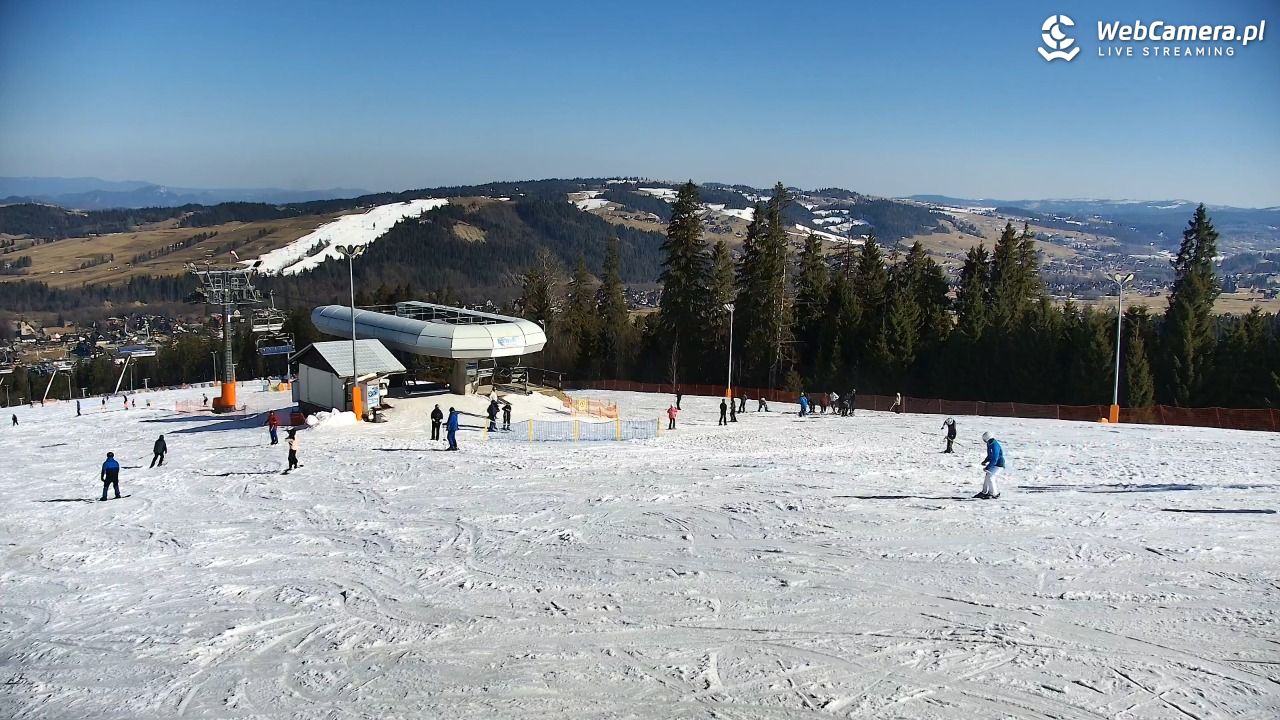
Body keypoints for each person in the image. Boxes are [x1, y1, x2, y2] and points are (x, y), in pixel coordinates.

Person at [977, 431, 1005, 499]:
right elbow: (990, 455)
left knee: (991, 477)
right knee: (987, 476)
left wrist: (988, 467)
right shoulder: (990, 444)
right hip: (994, 464)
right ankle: (984, 492)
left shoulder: (994, 445)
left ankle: (994, 494)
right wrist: (985, 461)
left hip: (999, 464)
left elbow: (995, 459)